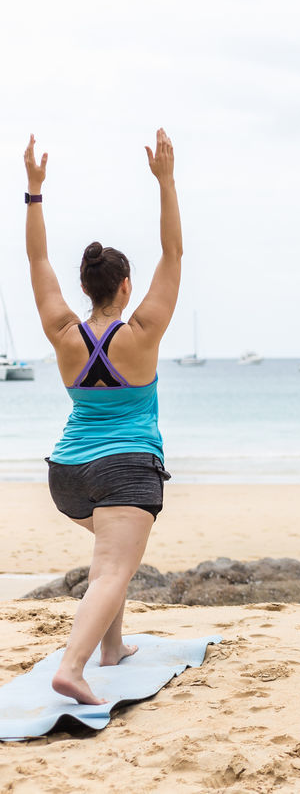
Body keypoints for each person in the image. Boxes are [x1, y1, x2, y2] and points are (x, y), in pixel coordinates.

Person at [23, 130, 183, 706]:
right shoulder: (141, 333)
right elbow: (174, 255)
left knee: (109, 554)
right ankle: (73, 666)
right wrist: (165, 181)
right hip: (123, 469)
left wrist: (34, 192)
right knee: (113, 570)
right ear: (124, 287)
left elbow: (37, 259)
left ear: (87, 289)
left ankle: (112, 648)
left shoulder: (64, 331)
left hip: (66, 474)